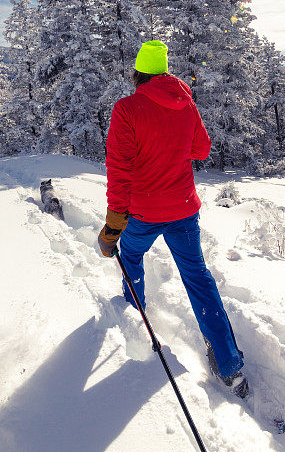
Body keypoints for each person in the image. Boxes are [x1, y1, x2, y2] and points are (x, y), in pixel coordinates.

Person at [97, 40, 248, 398]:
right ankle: (228, 364)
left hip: (143, 214)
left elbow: (119, 169)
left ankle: (137, 316)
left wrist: (114, 226)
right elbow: (202, 149)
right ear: (164, 72)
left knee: (131, 256)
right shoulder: (185, 103)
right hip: (182, 210)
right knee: (198, 277)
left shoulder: (126, 108)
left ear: (138, 73)